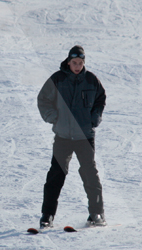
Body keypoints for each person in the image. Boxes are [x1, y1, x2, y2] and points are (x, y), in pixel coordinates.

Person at [37, 46, 107, 228]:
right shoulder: (58, 79)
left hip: (84, 136)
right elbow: (43, 99)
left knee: (90, 174)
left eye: (80, 63)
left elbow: (100, 99)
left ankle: (97, 213)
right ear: (68, 62)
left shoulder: (91, 80)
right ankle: (47, 216)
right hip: (63, 137)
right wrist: (54, 118)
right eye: (74, 63)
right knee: (56, 175)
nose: (77, 66)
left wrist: (94, 118)